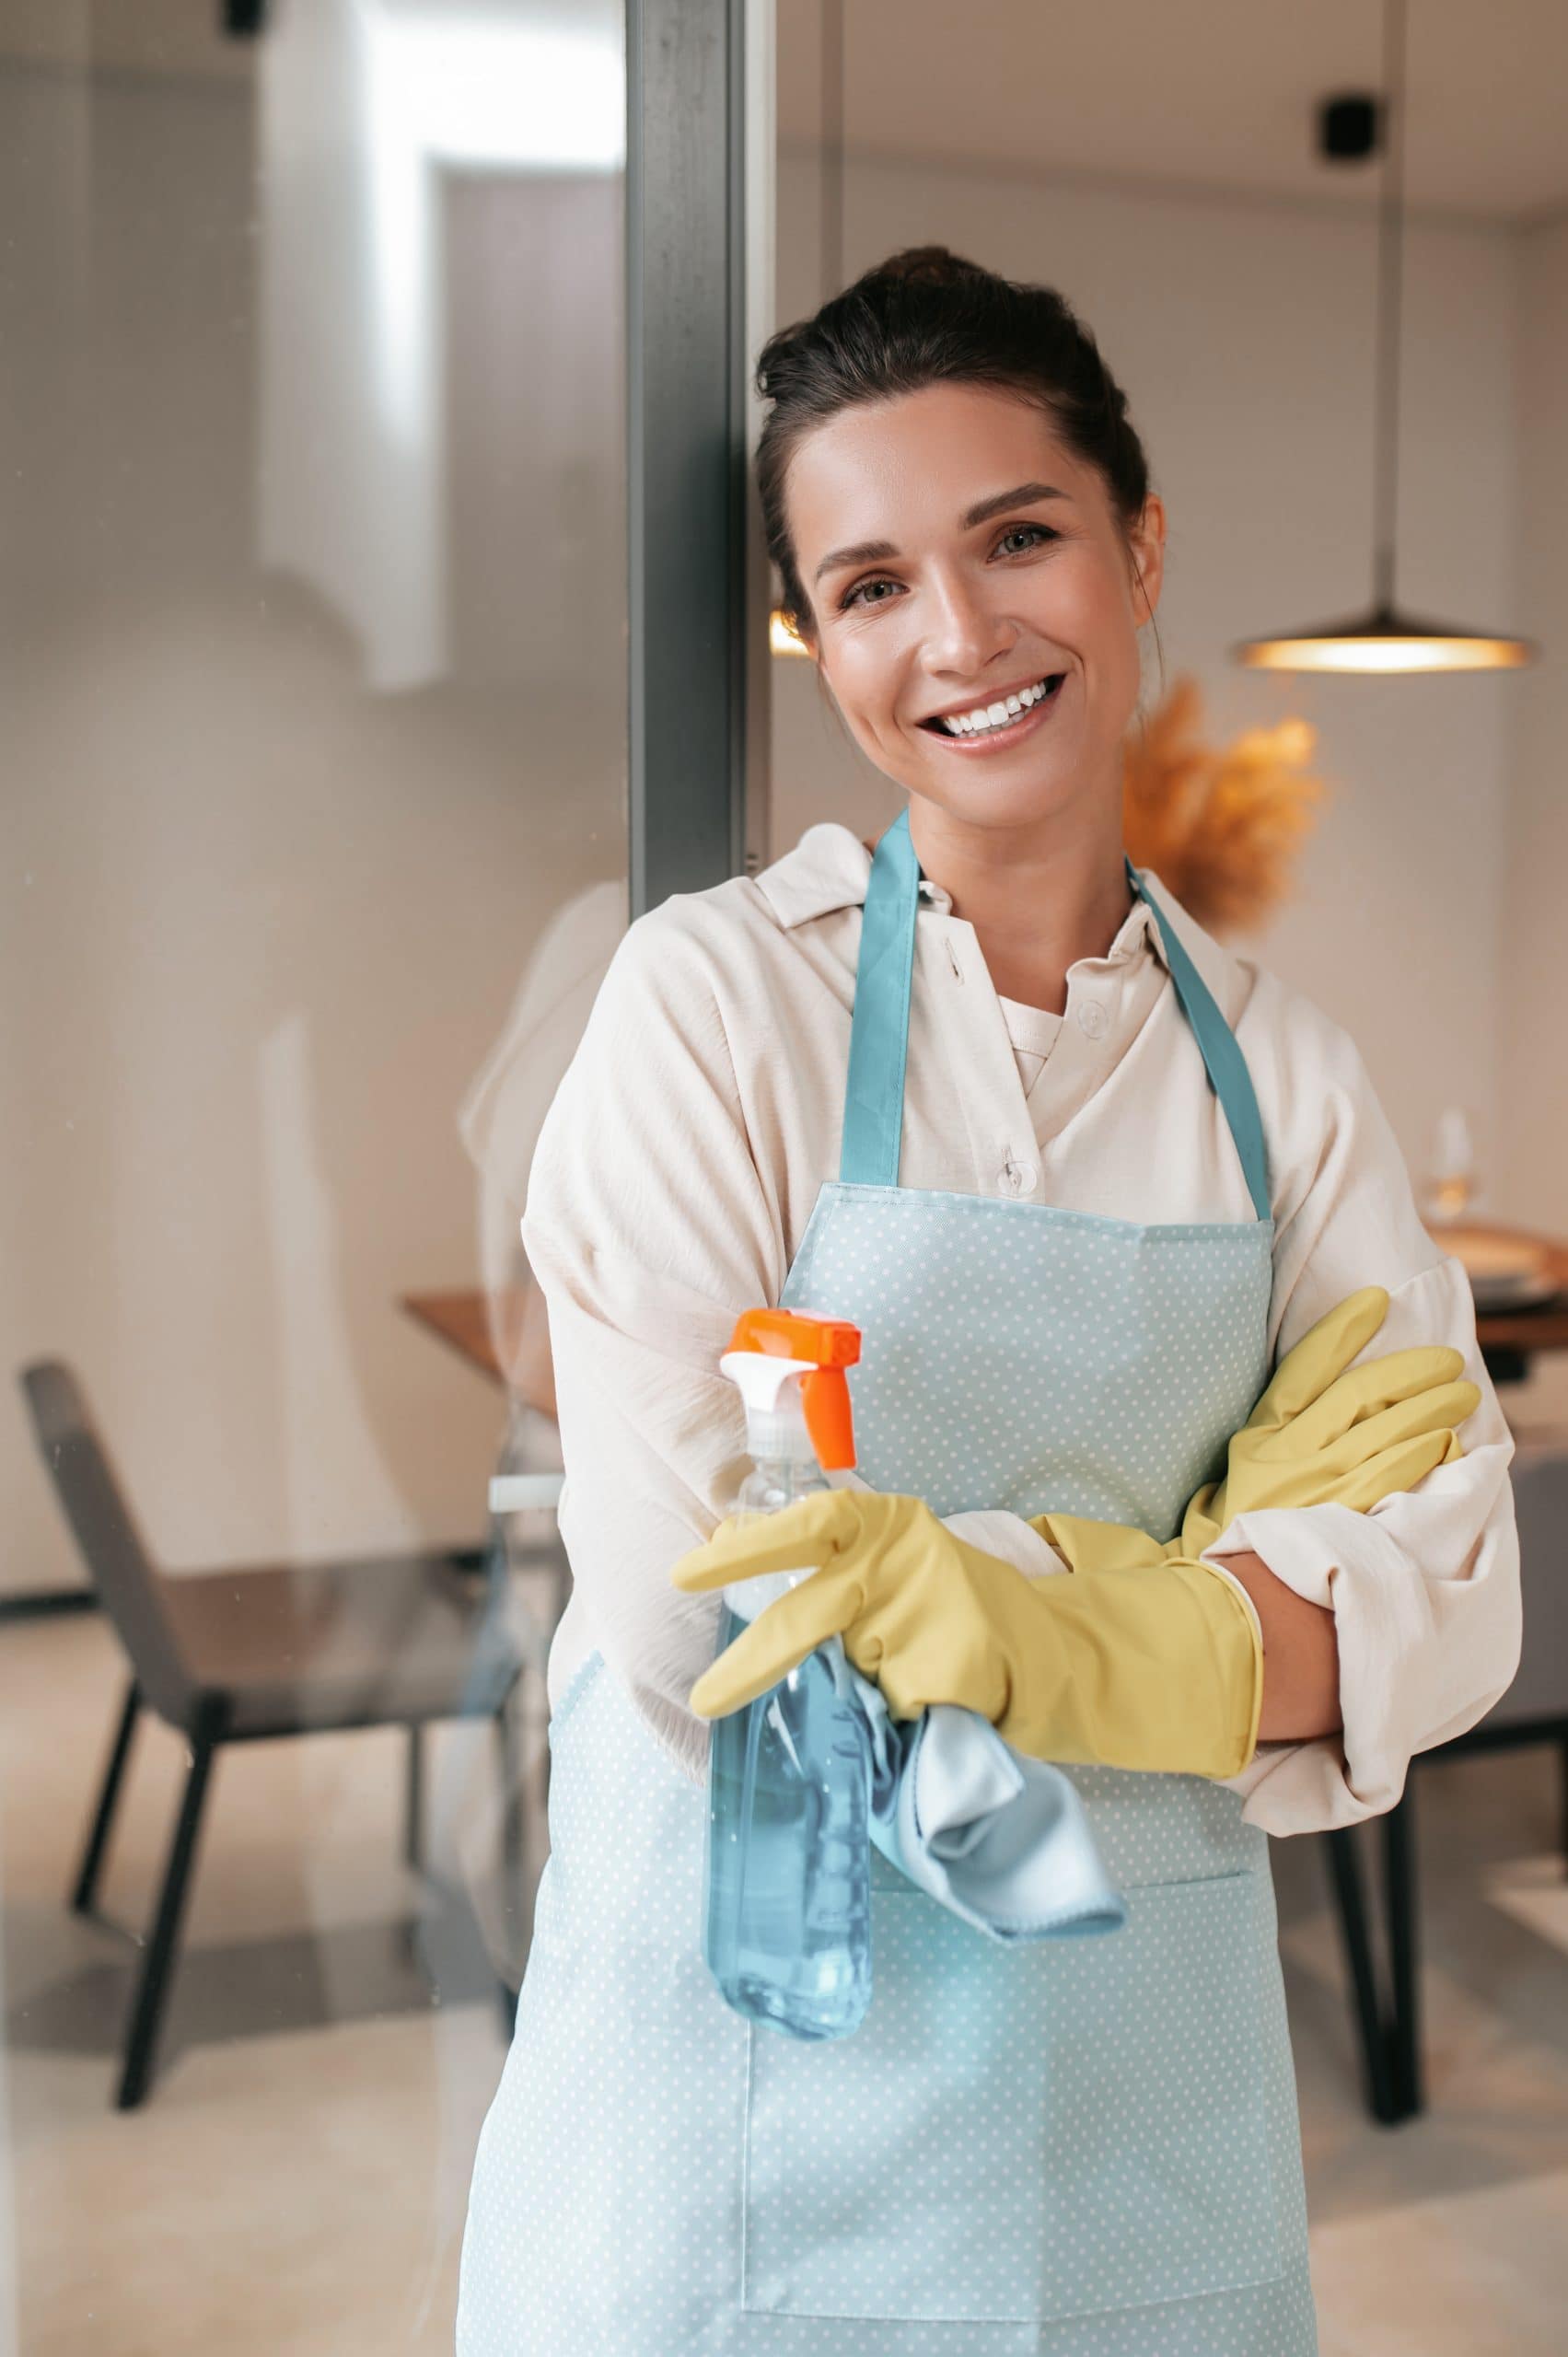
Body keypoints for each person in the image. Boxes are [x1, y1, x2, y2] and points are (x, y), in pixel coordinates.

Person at [456, 247, 1520, 2356]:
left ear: (1135, 546)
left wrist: (983, 1602)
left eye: (1015, 537)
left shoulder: (1281, 1074)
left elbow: (1453, 1601)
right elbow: (709, 1624)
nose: (958, 636)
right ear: (818, 638)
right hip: (735, 2092)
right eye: (867, 584)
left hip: (1146, 2108)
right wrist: (1204, 1604)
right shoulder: (713, 1008)